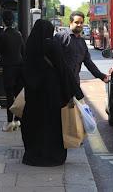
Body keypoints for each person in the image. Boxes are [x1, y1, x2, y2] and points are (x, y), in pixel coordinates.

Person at [22, 19, 84, 167]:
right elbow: (63, 68)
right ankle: (52, 156)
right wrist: (74, 92)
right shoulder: (52, 45)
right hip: (52, 93)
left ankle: (33, 155)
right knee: (52, 125)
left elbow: (23, 68)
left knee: (34, 125)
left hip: (33, 94)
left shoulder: (30, 45)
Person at [54, 11, 109, 85]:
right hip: (59, 83)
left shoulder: (82, 41)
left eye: (81, 22)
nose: (79, 24)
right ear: (70, 23)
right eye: (76, 22)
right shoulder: (60, 37)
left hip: (74, 83)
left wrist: (101, 76)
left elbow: (88, 62)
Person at [0, 10, 24, 132]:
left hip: (8, 68)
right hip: (19, 68)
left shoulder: (1, 36)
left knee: (9, 96)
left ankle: (10, 121)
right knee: (17, 95)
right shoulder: (19, 34)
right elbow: (23, 51)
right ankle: (17, 120)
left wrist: (2, 57)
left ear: (3, 21)